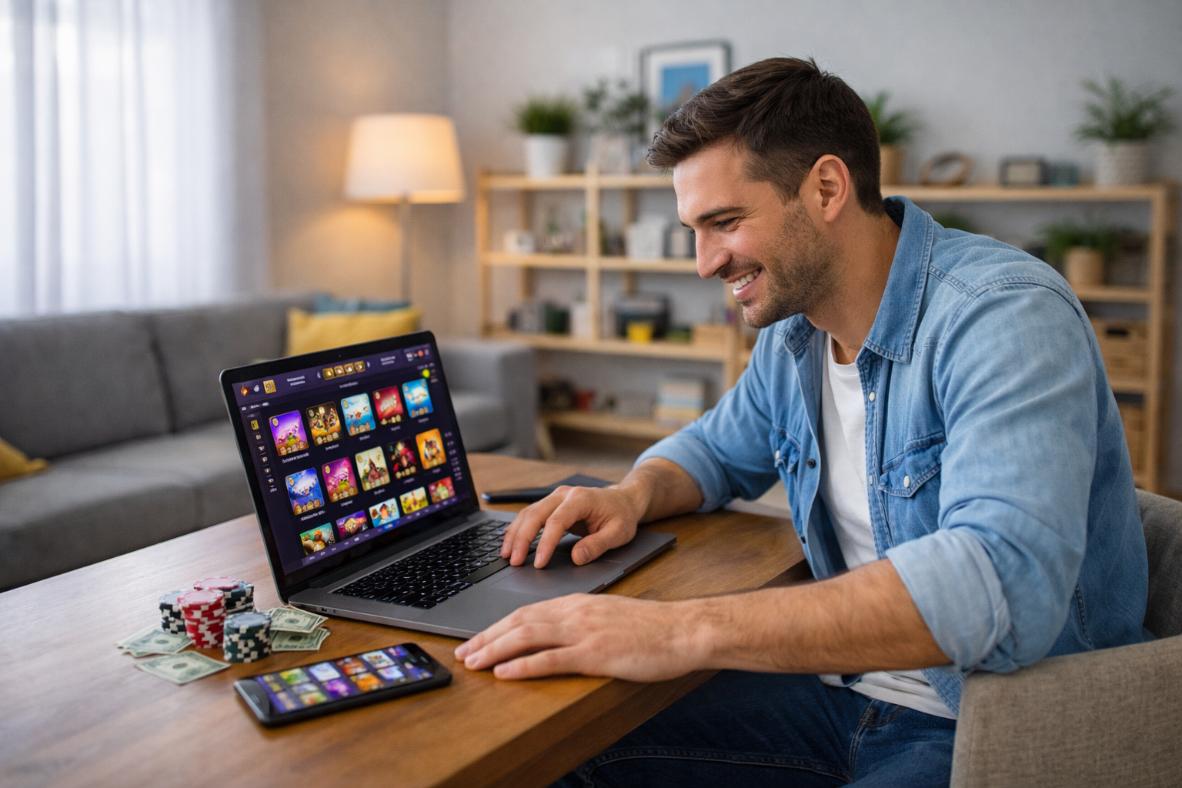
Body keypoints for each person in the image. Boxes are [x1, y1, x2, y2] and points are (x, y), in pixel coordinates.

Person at [455, 57, 1150, 786]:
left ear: (825, 188)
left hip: (991, 726)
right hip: (844, 695)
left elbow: (1000, 585)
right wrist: (632, 494)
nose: (704, 263)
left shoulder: (1002, 314)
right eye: (694, 229)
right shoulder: (798, 334)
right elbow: (715, 452)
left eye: (724, 223)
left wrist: (681, 630)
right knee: (547, 754)